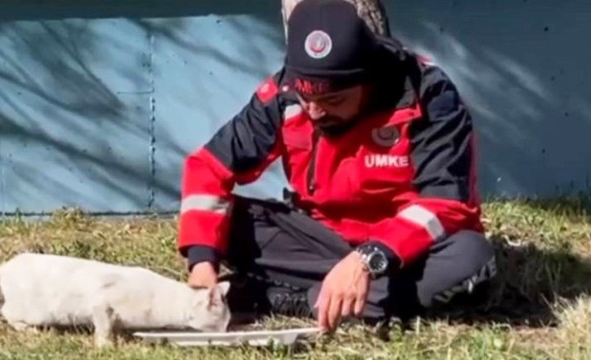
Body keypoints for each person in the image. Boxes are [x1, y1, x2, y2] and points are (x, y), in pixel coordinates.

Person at [176, 0, 497, 332]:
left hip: (404, 251)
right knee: (224, 221)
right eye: (306, 99)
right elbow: (208, 167)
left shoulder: (428, 94)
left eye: (333, 101)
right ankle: (345, 292)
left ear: (366, 79)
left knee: (469, 258)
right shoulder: (284, 93)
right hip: (321, 238)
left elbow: (446, 204)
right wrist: (202, 264)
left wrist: (369, 259)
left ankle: (298, 298)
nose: (315, 112)